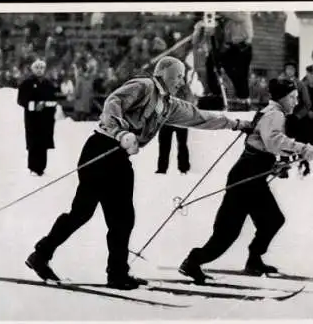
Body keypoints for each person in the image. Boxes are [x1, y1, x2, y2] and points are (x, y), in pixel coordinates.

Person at [25, 56, 253, 290]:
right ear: (163, 73)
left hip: (118, 158)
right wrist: (120, 134)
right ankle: (54, 258)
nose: (181, 81)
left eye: (183, 77)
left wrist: (236, 124)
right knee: (88, 214)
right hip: (102, 148)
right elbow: (113, 102)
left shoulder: (169, 104)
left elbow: (199, 117)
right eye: (179, 75)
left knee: (117, 218)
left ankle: (105, 270)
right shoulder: (144, 86)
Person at [179, 78, 313, 283]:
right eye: (292, 97)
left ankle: (254, 259)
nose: (295, 102)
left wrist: (273, 165)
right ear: (282, 98)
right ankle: (193, 261)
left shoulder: (270, 112)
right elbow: (274, 142)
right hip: (246, 178)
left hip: (252, 175)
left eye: (296, 97)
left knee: (272, 220)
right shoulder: (275, 115)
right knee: (228, 232)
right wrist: (304, 149)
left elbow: (261, 144)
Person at [16, 59, 58, 176]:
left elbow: (54, 100)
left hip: (46, 119)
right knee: (33, 142)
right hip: (32, 118)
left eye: (41, 68)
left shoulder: (48, 84)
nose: (39, 70)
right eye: (37, 68)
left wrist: (45, 105)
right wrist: (34, 106)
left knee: (43, 142)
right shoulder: (26, 83)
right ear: (33, 69)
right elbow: (20, 100)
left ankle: (42, 167)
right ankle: (33, 167)